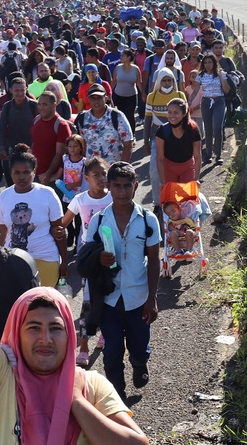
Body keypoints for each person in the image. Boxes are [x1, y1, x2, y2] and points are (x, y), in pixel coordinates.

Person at [0, 175, 149, 444]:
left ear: (70, 335)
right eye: (33, 327)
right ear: (15, 333)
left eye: (56, 328)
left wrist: (73, 400)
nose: (45, 339)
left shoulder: (89, 385)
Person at [90, 162, 161, 401]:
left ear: (136, 186)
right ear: (108, 187)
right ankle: (117, 398)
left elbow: (153, 260)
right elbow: (85, 260)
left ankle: (140, 363)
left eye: (127, 186)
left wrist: (152, 299)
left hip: (138, 298)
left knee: (139, 346)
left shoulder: (148, 220)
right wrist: (98, 258)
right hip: (109, 300)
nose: (121, 192)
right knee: (111, 353)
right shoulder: (98, 221)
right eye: (116, 186)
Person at [61, 156, 112, 365]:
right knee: (88, 301)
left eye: (103, 174)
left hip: (110, 255)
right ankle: (83, 344)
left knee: (109, 296)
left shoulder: (113, 198)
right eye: (95, 175)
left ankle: (105, 335)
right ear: (86, 177)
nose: (101, 178)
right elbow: (63, 223)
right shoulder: (80, 199)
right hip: (88, 257)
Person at [0, 144, 66, 287]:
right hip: (14, 260)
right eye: (17, 172)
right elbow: (1, 230)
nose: (22, 177)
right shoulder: (4, 196)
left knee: (42, 304)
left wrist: (63, 262)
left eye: (26, 172)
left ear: (34, 172)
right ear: (10, 172)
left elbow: (59, 231)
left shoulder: (47, 194)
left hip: (45, 257)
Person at [144, 68, 186, 204]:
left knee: (178, 170)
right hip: (157, 138)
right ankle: (158, 202)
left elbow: (186, 118)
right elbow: (148, 119)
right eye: (164, 80)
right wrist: (145, 140)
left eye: (169, 80)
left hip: (178, 139)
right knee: (155, 172)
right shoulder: (152, 96)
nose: (167, 83)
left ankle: (178, 202)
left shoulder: (180, 95)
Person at [76, 84, 133, 165]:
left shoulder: (117, 116)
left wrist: (120, 168)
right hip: (92, 172)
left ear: (106, 98)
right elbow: (83, 145)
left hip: (113, 171)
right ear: (88, 99)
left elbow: (128, 145)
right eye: (93, 98)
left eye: (99, 97)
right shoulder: (82, 118)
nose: (96, 101)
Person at [156, 98, 202, 193]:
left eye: (176, 112)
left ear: (184, 113)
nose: (172, 115)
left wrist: (196, 178)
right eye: (169, 112)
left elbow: (197, 156)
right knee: (170, 201)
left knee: (187, 200)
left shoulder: (193, 129)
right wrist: (162, 181)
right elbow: (160, 158)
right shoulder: (162, 131)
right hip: (168, 169)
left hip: (187, 168)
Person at [194, 55, 230, 165]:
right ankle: (208, 154)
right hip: (206, 102)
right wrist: (188, 101)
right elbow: (195, 90)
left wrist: (221, 77)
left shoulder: (221, 74)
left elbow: (226, 90)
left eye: (210, 62)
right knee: (208, 129)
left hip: (218, 101)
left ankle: (218, 155)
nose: (207, 65)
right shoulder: (200, 76)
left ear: (214, 63)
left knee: (217, 127)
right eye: (205, 63)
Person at [112, 49, 142, 136]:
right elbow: (114, 81)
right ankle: (120, 134)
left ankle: (132, 135)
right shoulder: (118, 68)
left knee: (130, 116)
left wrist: (143, 94)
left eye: (123, 56)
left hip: (131, 96)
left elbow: (139, 82)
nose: (121, 57)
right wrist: (108, 92)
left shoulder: (136, 69)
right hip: (119, 96)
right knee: (120, 116)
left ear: (129, 57)